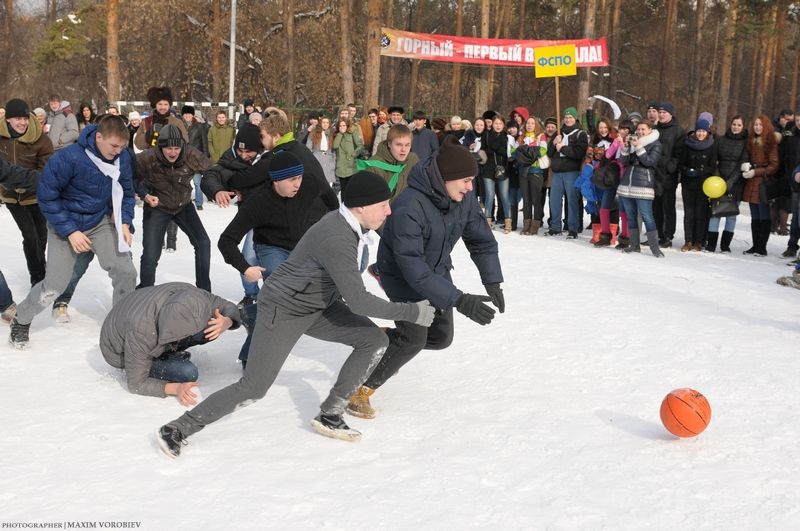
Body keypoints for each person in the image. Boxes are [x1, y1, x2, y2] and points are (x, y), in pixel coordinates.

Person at [156, 171, 437, 457]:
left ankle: (331, 413)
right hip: (283, 309)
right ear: (361, 207)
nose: (389, 210)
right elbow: (359, 302)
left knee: (373, 340)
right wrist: (410, 311)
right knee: (254, 387)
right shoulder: (338, 236)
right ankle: (178, 428)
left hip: (318, 305)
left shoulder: (349, 226)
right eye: (383, 205)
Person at [348, 137, 504, 419]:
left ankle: (385, 339)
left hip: (436, 269)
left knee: (441, 337)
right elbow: (414, 270)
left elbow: (481, 241)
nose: (470, 187)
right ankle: (359, 390)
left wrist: (492, 280)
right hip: (402, 274)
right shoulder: (410, 206)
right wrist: (459, 299)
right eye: (466, 180)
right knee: (413, 338)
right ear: (447, 177)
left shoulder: (463, 199)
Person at [9, 115, 138, 349]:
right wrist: (70, 231)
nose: (118, 152)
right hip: (65, 224)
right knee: (55, 284)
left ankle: (122, 324)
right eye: (114, 146)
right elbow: (47, 198)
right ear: (99, 137)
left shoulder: (122, 158)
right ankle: (22, 318)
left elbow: (127, 192)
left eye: (122, 147)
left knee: (125, 270)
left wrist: (125, 221)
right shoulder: (67, 158)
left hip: (99, 221)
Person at [217, 151, 338, 367]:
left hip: (301, 247)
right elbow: (226, 240)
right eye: (292, 180)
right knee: (278, 294)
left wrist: (334, 220)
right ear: (275, 180)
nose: (297, 184)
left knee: (304, 293)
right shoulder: (258, 203)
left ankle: (250, 314)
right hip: (271, 247)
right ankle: (251, 355)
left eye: (299, 177)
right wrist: (246, 268)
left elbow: (329, 196)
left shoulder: (308, 183)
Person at [100, 282, 242, 402]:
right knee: (188, 372)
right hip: (119, 351)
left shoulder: (193, 295)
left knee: (210, 330)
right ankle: (159, 357)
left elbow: (228, 306)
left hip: (142, 315)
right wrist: (175, 388)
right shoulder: (142, 332)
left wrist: (227, 321)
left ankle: (169, 351)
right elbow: (136, 384)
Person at [0, 98, 54, 287]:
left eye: (25, 118)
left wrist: (29, 184)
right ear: (8, 120)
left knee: (41, 236)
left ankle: (41, 266)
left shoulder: (41, 139)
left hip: (35, 196)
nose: (22, 122)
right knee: (29, 235)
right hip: (11, 196)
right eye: (17, 119)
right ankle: (37, 277)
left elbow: (46, 171)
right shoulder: (1, 138)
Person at [617, 120, 664, 257]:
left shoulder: (656, 144)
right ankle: (634, 245)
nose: (640, 132)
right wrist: (626, 148)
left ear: (650, 130)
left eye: (643, 129)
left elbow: (649, 162)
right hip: (627, 185)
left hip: (643, 185)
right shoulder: (634, 142)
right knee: (631, 217)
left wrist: (638, 147)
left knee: (647, 216)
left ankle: (655, 248)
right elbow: (624, 162)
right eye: (638, 129)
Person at [707, 115, 748, 253]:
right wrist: (719, 179)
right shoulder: (721, 140)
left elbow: (742, 163)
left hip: (735, 183)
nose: (736, 127)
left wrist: (730, 182)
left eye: (739, 125)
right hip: (718, 182)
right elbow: (714, 160)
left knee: (731, 215)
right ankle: (711, 245)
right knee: (715, 213)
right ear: (730, 125)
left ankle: (725, 246)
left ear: (743, 127)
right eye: (734, 124)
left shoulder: (745, 143)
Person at [546, 107, 588, 238]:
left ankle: (573, 228)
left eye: (570, 117)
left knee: (572, 200)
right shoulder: (558, 132)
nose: (568, 119)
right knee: (554, 200)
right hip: (557, 171)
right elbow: (549, 153)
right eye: (566, 117)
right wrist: (553, 143)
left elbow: (579, 153)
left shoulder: (580, 133)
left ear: (575, 118)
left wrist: (563, 148)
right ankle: (555, 227)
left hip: (572, 171)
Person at [742, 115, 779, 257]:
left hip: (763, 182)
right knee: (754, 216)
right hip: (751, 181)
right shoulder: (752, 141)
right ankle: (755, 245)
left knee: (763, 215)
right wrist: (747, 166)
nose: (757, 127)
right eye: (755, 124)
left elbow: (774, 165)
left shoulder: (771, 142)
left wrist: (755, 172)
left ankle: (762, 247)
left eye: (760, 125)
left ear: (766, 127)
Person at [679, 117, 717, 252]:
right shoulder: (687, 144)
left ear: (708, 132)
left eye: (704, 131)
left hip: (703, 184)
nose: (701, 134)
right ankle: (688, 240)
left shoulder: (712, 145)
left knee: (700, 213)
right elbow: (681, 163)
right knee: (688, 213)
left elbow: (712, 166)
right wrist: (687, 171)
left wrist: (700, 171)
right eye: (699, 131)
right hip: (688, 184)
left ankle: (699, 241)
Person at [360, 124, 419, 202]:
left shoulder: (413, 160)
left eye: (407, 145)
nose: (404, 149)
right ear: (389, 144)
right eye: (399, 145)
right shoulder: (374, 167)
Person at [654, 102, 685, 248]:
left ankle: (667, 235)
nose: (661, 115)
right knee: (656, 207)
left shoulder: (678, 131)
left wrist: (670, 167)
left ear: (671, 114)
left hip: (668, 176)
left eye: (664, 112)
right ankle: (657, 234)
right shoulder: (654, 130)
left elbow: (680, 154)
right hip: (653, 173)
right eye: (660, 112)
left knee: (668, 207)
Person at [515, 116, 547, 235]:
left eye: (532, 123)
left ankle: (535, 224)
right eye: (528, 123)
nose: (529, 125)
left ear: (536, 125)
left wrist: (526, 150)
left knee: (536, 199)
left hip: (536, 171)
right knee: (526, 200)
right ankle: (526, 224)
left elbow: (543, 151)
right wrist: (531, 151)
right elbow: (514, 151)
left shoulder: (540, 136)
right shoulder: (521, 137)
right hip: (523, 171)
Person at [133, 86, 188, 152]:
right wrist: (149, 134)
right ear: (155, 105)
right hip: (152, 159)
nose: (163, 107)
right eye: (160, 104)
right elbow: (138, 145)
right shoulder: (146, 121)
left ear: (169, 105)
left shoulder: (177, 122)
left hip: (171, 158)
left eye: (166, 104)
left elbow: (185, 142)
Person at [181, 105, 210, 210]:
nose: (187, 116)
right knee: (184, 182)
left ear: (192, 115)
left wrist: (205, 158)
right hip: (183, 159)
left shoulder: (199, 126)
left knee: (197, 182)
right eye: (185, 114)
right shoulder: (179, 125)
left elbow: (204, 143)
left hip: (196, 158)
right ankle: (185, 202)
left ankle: (199, 202)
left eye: (189, 114)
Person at [332, 117, 364, 194]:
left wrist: (353, 155)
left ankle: (351, 205)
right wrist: (340, 134)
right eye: (340, 126)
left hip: (351, 165)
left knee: (351, 189)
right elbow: (335, 146)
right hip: (341, 166)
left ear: (347, 126)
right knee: (343, 189)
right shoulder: (337, 135)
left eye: (344, 125)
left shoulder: (352, 133)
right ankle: (344, 205)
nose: (342, 127)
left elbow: (360, 146)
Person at [305, 115, 337, 187]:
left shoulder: (332, 133)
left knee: (329, 182)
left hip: (329, 158)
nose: (325, 124)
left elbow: (334, 148)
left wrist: (333, 159)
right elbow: (308, 147)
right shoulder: (314, 133)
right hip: (318, 156)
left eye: (327, 122)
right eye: (323, 122)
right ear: (320, 123)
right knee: (318, 180)